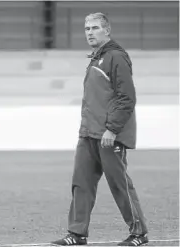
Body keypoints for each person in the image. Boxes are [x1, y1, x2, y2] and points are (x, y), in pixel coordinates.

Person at [52, 13, 148, 246]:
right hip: (88, 134)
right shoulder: (97, 58)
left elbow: (127, 98)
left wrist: (112, 130)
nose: (90, 32)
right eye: (86, 28)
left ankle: (139, 233)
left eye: (95, 28)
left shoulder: (116, 57)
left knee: (120, 185)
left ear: (107, 30)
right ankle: (77, 233)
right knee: (81, 185)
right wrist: (85, 130)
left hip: (109, 136)